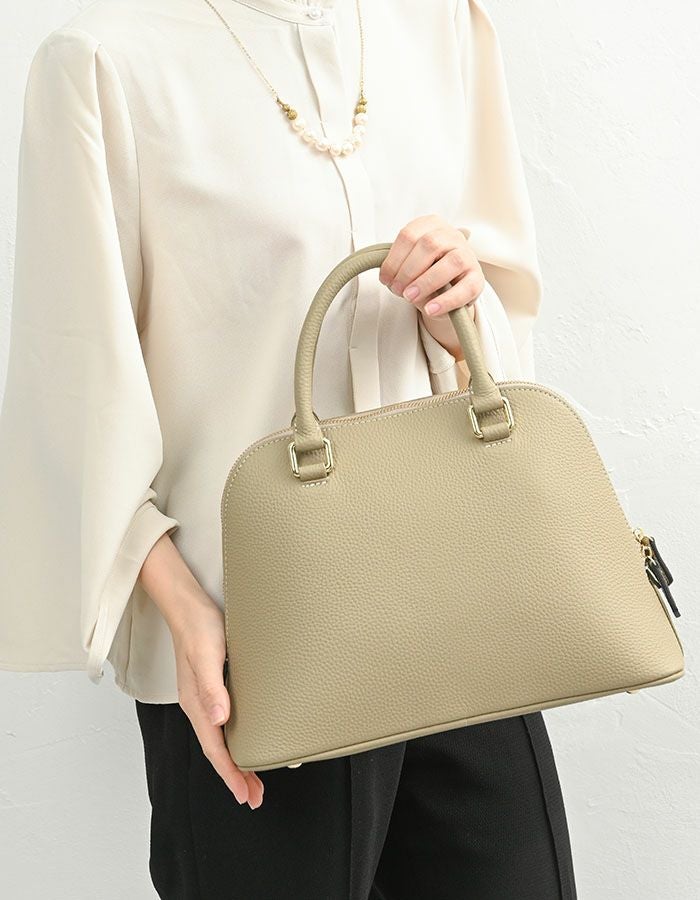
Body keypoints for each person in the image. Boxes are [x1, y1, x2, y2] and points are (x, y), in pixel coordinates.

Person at [0, 0, 578, 896]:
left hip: (460, 611)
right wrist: (185, 612)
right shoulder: (104, 62)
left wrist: (460, 309)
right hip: (252, 643)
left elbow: (504, 321)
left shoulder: (439, 24)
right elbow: (71, 384)